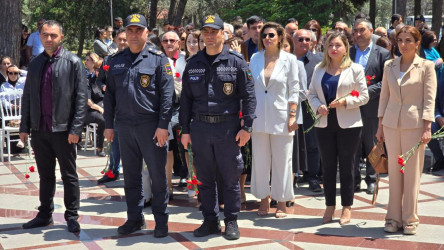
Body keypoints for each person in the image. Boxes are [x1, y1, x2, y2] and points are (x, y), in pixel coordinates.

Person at [179, 15, 256, 240]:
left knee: (231, 177)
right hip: (200, 128)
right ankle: (210, 220)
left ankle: (231, 220)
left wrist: (247, 127)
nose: (210, 36)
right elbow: (185, 100)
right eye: (206, 32)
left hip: (228, 128)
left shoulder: (236, 62)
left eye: (214, 32)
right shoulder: (193, 63)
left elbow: (248, 96)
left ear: (223, 34)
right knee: (205, 178)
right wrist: (185, 130)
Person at [103, 13, 174, 238]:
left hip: (151, 126)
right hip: (124, 125)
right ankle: (134, 218)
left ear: (146, 32)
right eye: (130, 30)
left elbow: (167, 96)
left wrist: (163, 125)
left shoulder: (158, 59)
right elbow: (110, 96)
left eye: (138, 30)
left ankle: (161, 221)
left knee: (157, 176)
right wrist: (108, 124)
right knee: (131, 177)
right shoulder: (116, 60)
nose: (134, 35)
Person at [19, 20, 88, 233]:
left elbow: (81, 99)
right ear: (40, 36)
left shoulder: (73, 62)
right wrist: (24, 126)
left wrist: (76, 129)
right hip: (40, 129)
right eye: (45, 35)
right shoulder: (36, 63)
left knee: (69, 175)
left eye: (53, 35)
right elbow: (28, 96)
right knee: (45, 175)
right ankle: (45, 214)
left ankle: (72, 216)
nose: (49, 39)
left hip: (64, 131)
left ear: (61, 37)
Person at [376, 26, 437, 235]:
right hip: (391, 125)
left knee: (411, 174)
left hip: (415, 125)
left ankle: (410, 218)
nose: (403, 44)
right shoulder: (389, 66)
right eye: (400, 40)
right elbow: (384, 97)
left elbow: (430, 99)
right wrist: (380, 125)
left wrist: (427, 126)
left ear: (417, 42)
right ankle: (393, 217)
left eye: (408, 40)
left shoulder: (426, 66)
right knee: (394, 173)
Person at [308, 31, 369, 225]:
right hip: (324, 123)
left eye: (338, 45)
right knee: (327, 166)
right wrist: (317, 105)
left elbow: (363, 95)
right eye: (331, 45)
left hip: (348, 124)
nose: (334, 49)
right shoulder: (319, 68)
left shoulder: (355, 69)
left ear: (345, 48)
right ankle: (329, 207)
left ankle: (347, 208)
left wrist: (345, 101)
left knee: (347, 166)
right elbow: (311, 94)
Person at [249, 22, 299, 219]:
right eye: (264, 35)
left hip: (282, 116)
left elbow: (294, 88)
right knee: (260, 160)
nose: (267, 38)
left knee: (282, 161)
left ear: (280, 37)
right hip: (258, 116)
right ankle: (263, 198)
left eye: (271, 35)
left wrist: (293, 115)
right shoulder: (255, 58)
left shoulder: (290, 60)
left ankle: (281, 201)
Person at [350, 19, 392, 194]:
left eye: (361, 30)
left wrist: (365, 93)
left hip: (371, 107)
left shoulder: (382, 54)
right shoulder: (348, 52)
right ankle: (353, 180)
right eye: (355, 31)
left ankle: (371, 179)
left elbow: (386, 82)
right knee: (352, 145)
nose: (358, 34)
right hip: (349, 108)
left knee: (371, 145)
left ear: (371, 31)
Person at [95, 28, 128, 184]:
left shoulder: (137, 58)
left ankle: (132, 173)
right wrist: (103, 86)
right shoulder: (109, 60)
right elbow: (100, 79)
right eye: (119, 39)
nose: (122, 42)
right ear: (115, 40)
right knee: (113, 141)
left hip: (131, 108)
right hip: (113, 107)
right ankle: (113, 170)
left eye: (125, 39)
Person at [294, 29, 323, 192]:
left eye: (307, 39)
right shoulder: (286, 59)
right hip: (290, 108)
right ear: (293, 41)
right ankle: (294, 176)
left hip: (311, 108)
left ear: (312, 42)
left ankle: (313, 177)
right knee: (294, 144)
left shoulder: (319, 60)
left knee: (313, 144)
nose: (304, 42)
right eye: (300, 39)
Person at [282, 33, 309, 204]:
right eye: (280, 45)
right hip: (272, 117)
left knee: (290, 158)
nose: (283, 49)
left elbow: (303, 93)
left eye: (285, 46)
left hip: (292, 118)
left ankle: (288, 191)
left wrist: (284, 99)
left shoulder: (298, 64)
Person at [421, 30, 444, 172]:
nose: (435, 42)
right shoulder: (423, 53)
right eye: (433, 39)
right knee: (431, 130)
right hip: (437, 114)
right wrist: (438, 116)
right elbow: (434, 101)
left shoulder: (434, 51)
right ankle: (440, 158)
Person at [83, 52, 106, 157]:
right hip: (91, 110)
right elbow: (88, 101)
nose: (100, 72)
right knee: (103, 120)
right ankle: (100, 147)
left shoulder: (105, 82)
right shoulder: (88, 82)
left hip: (104, 107)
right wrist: (100, 109)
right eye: (98, 70)